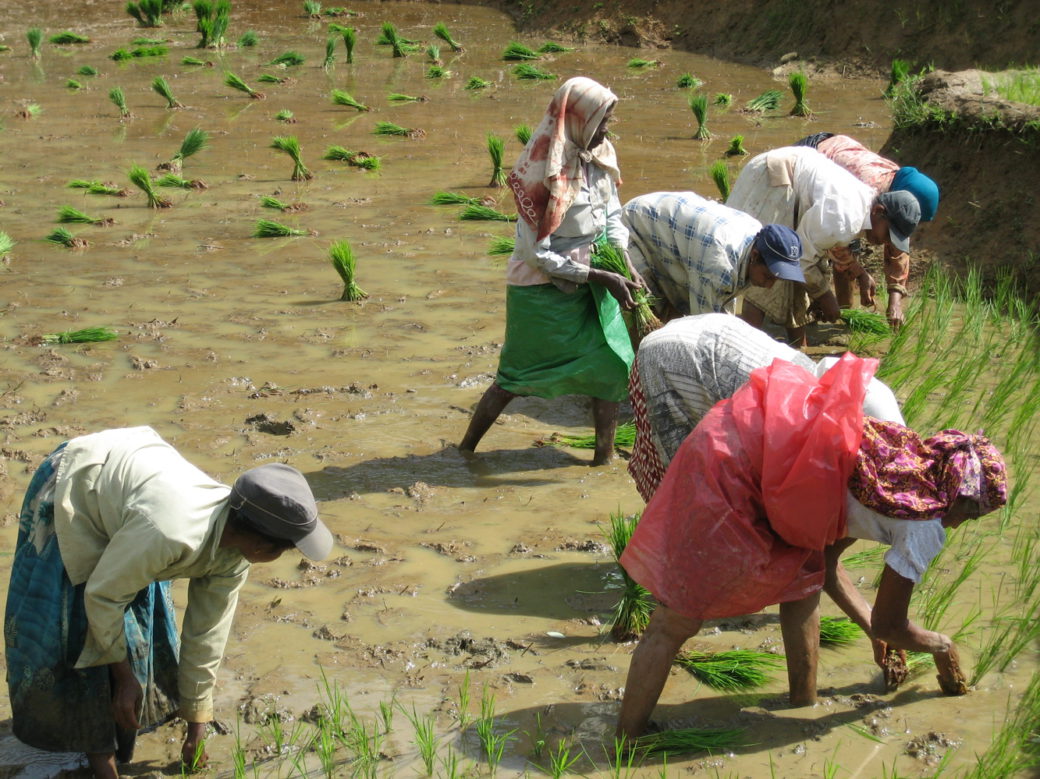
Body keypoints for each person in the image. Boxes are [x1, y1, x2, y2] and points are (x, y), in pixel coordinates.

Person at [614, 355, 1006, 740]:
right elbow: (891, 623)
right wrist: (941, 646)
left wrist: (875, 632)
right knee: (675, 621)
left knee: (803, 575)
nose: (960, 524)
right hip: (731, 473)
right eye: (970, 514)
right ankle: (626, 741)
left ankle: (803, 700)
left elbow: (826, 565)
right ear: (960, 498)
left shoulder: (901, 464)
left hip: (734, 432)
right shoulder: (925, 524)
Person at [4, 426, 335, 779]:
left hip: (133, 501)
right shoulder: (169, 532)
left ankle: (123, 730)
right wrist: (124, 677)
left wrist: (197, 728)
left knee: (139, 626)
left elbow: (207, 635)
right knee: (74, 626)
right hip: (77, 482)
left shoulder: (234, 555)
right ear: (261, 546)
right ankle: (98, 753)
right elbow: (101, 597)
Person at [458, 76, 642, 465]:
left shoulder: (600, 156)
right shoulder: (539, 172)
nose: (606, 129)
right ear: (577, 121)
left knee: (611, 368)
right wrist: (598, 275)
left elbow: (611, 214)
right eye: (601, 120)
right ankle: (465, 451)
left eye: (608, 120)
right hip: (543, 289)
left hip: (596, 278)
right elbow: (535, 253)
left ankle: (602, 460)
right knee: (516, 377)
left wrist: (622, 259)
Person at [627, 313, 904, 501]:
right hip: (665, 358)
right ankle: (659, 566)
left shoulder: (818, 381)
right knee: (679, 479)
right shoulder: (789, 414)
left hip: (704, 337)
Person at [728, 146, 921, 347]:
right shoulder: (847, 218)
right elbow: (800, 260)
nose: (887, 243)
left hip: (788, 177)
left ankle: (797, 349)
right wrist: (824, 295)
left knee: (795, 275)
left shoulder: (861, 208)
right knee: (771, 268)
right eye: (889, 234)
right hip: (774, 179)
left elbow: (829, 244)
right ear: (879, 211)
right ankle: (742, 348)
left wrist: (860, 273)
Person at [795, 133, 940, 328]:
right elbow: (836, 241)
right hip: (811, 158)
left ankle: (842, 314)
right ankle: (834, 314)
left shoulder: (897, 200)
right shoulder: (866, 192)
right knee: (808, 249)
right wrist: (857, 274)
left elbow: (897, 248)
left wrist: (895, 303)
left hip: (839, 154)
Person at [620, 191, 805, 321]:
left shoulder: (756, 236)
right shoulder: (719, 266)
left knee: (680, 314)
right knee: (655, 311)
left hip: (679, 233)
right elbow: (704, 325)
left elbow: (723, 306)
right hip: (636, 228)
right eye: (768, 277)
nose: (769, 285)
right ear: (755, 256)